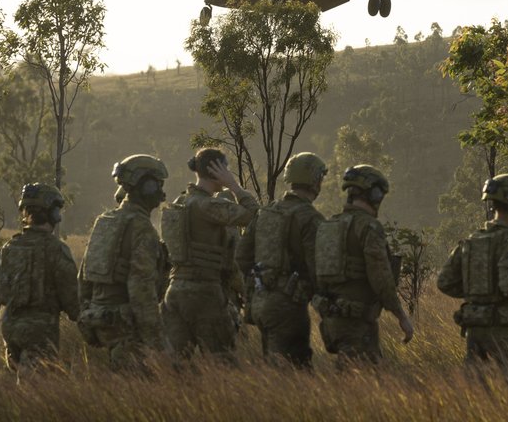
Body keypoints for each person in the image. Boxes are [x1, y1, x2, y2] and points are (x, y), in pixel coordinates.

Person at [161, 147, 259, 361]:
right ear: (218, 170)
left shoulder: (180, 203)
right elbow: (252, 214)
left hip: (174, 290)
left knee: (175, 364)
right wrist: (233, 185)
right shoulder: (207, 205)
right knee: (221, 361)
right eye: (226, 169)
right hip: (204, 291)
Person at [311, 164, 414, 363]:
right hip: (356, 321)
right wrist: (401, 316)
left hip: (331, 320)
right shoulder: (369, 226)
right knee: (362, 381)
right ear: (374, 195)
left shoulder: (329, 225)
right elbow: (381, 277)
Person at [437, 173, 508, 366]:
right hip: (503, 331)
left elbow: (444, 282)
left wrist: (475, 291)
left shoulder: (472, 240)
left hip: (474, 330)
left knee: (476, 386)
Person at [77, 154, 170, 370]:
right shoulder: (142, 228)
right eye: (157, 184)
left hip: (100, 319)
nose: (160, 190)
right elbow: (141, 290)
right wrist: (157, 342)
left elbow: (84, 278)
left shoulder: (105, 221)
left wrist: (86, 316)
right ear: (145, 186)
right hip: (126, 325)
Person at [236, 151, 327, 367]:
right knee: (294, 371)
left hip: (259, 302)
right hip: (288, 306)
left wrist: (260, 284)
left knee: (273, 365)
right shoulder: (310, 218)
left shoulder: (266, 212)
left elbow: (241, 256)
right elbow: (318, 269)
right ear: (314, 181)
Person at [0, 183, 79, 371]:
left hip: (10, 330)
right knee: (36, 389)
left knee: (22, 380)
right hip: (40, 333)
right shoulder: (57, 250)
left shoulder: (8, 249)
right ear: (54, 214)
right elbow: (73, 301)